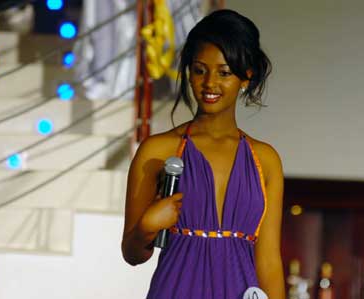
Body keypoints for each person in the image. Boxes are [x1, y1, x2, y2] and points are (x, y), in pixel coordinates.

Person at [122, 9, 285, 299]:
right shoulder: (157, 151)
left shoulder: (265, 160)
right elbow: (133, 254)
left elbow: (269, 262)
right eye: (200, 70)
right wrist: (147, 226)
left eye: (223, 73)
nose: (209, 83)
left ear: (246, 77)